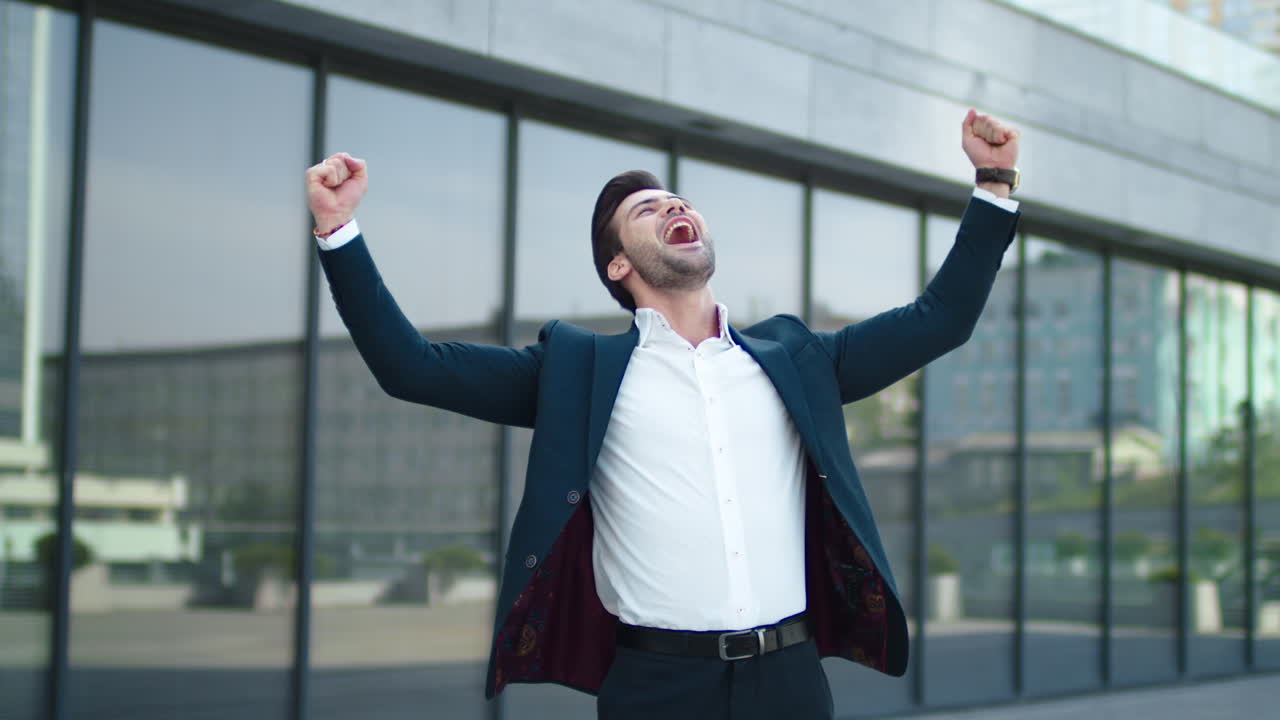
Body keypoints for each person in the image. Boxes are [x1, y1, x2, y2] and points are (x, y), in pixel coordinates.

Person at [306, 109, 1022, 720]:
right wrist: (339, 233)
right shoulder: (578, 373)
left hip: (792, 680)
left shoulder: (796, 359)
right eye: (648, 211)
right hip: (658, 684)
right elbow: (410, 368)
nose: (676, 209)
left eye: (680, 202)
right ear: (619, 266)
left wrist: (992, 184)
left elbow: (941, 319)